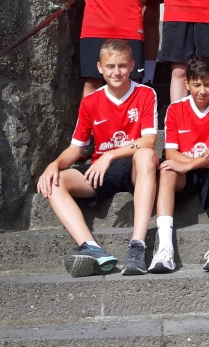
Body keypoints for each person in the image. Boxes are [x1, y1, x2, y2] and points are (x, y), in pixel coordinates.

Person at [36, 39, 159, 277]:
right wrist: (53, 165)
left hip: (133, 165)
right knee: (55, 181)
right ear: (100, 67)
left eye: (122, 65)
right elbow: (76, 148)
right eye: (110, 66)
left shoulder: (145, 93)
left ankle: (137, 246)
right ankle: (91, 248)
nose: (116, 72)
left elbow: (149, 141)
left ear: (132, 65)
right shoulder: (91, 101)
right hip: (101, 170)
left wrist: (110, 154)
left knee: (146, 155)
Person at [149, 56, 209, 274]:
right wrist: (197, 165)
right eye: (196, 85)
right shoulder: (175, 109)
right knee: (167, 170)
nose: (202, 91)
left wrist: (190, 165)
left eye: (207, 84)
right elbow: (171, 153)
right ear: (186, 83)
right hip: (189, 171)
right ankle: (164, 248)